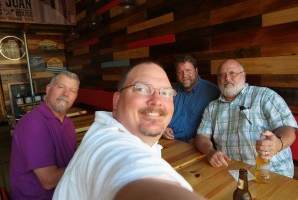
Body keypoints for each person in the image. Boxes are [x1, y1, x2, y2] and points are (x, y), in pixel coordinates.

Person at [53, 62, 205, 200]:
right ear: (117, 100)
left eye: (165, 93)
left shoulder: (108, 129)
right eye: (142, 89)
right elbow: (128, 165)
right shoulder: (108, 143)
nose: (157, 100)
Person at [195, 59, 297, 177]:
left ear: (243, 76)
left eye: (232, 73)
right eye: (222, 75)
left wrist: (278, 144)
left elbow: (288, 128)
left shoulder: (265, 95)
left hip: (272, 172)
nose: (227, 78)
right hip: (232, 171)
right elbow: (201, 136)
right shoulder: (212, 107)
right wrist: (210, 152)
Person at [10, 71, 80, 200]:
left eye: (72, 90)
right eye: (60, 87)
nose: (66, 94)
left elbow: (73, 158)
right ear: (48, 89)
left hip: (64, 191)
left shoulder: (69, 124)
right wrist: (86, 162)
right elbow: (48, 180)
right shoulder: (32, 124)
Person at [163, 55, 220, 143]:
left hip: (193, 145)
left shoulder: (213, 92)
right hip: (168, 141)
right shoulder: (171, 91)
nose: (184, 75)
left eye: (188, 71)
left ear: (196, 71)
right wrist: (163, 128)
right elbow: (160, 113)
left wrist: (204, 140)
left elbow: (220, 123)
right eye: (180, 72)